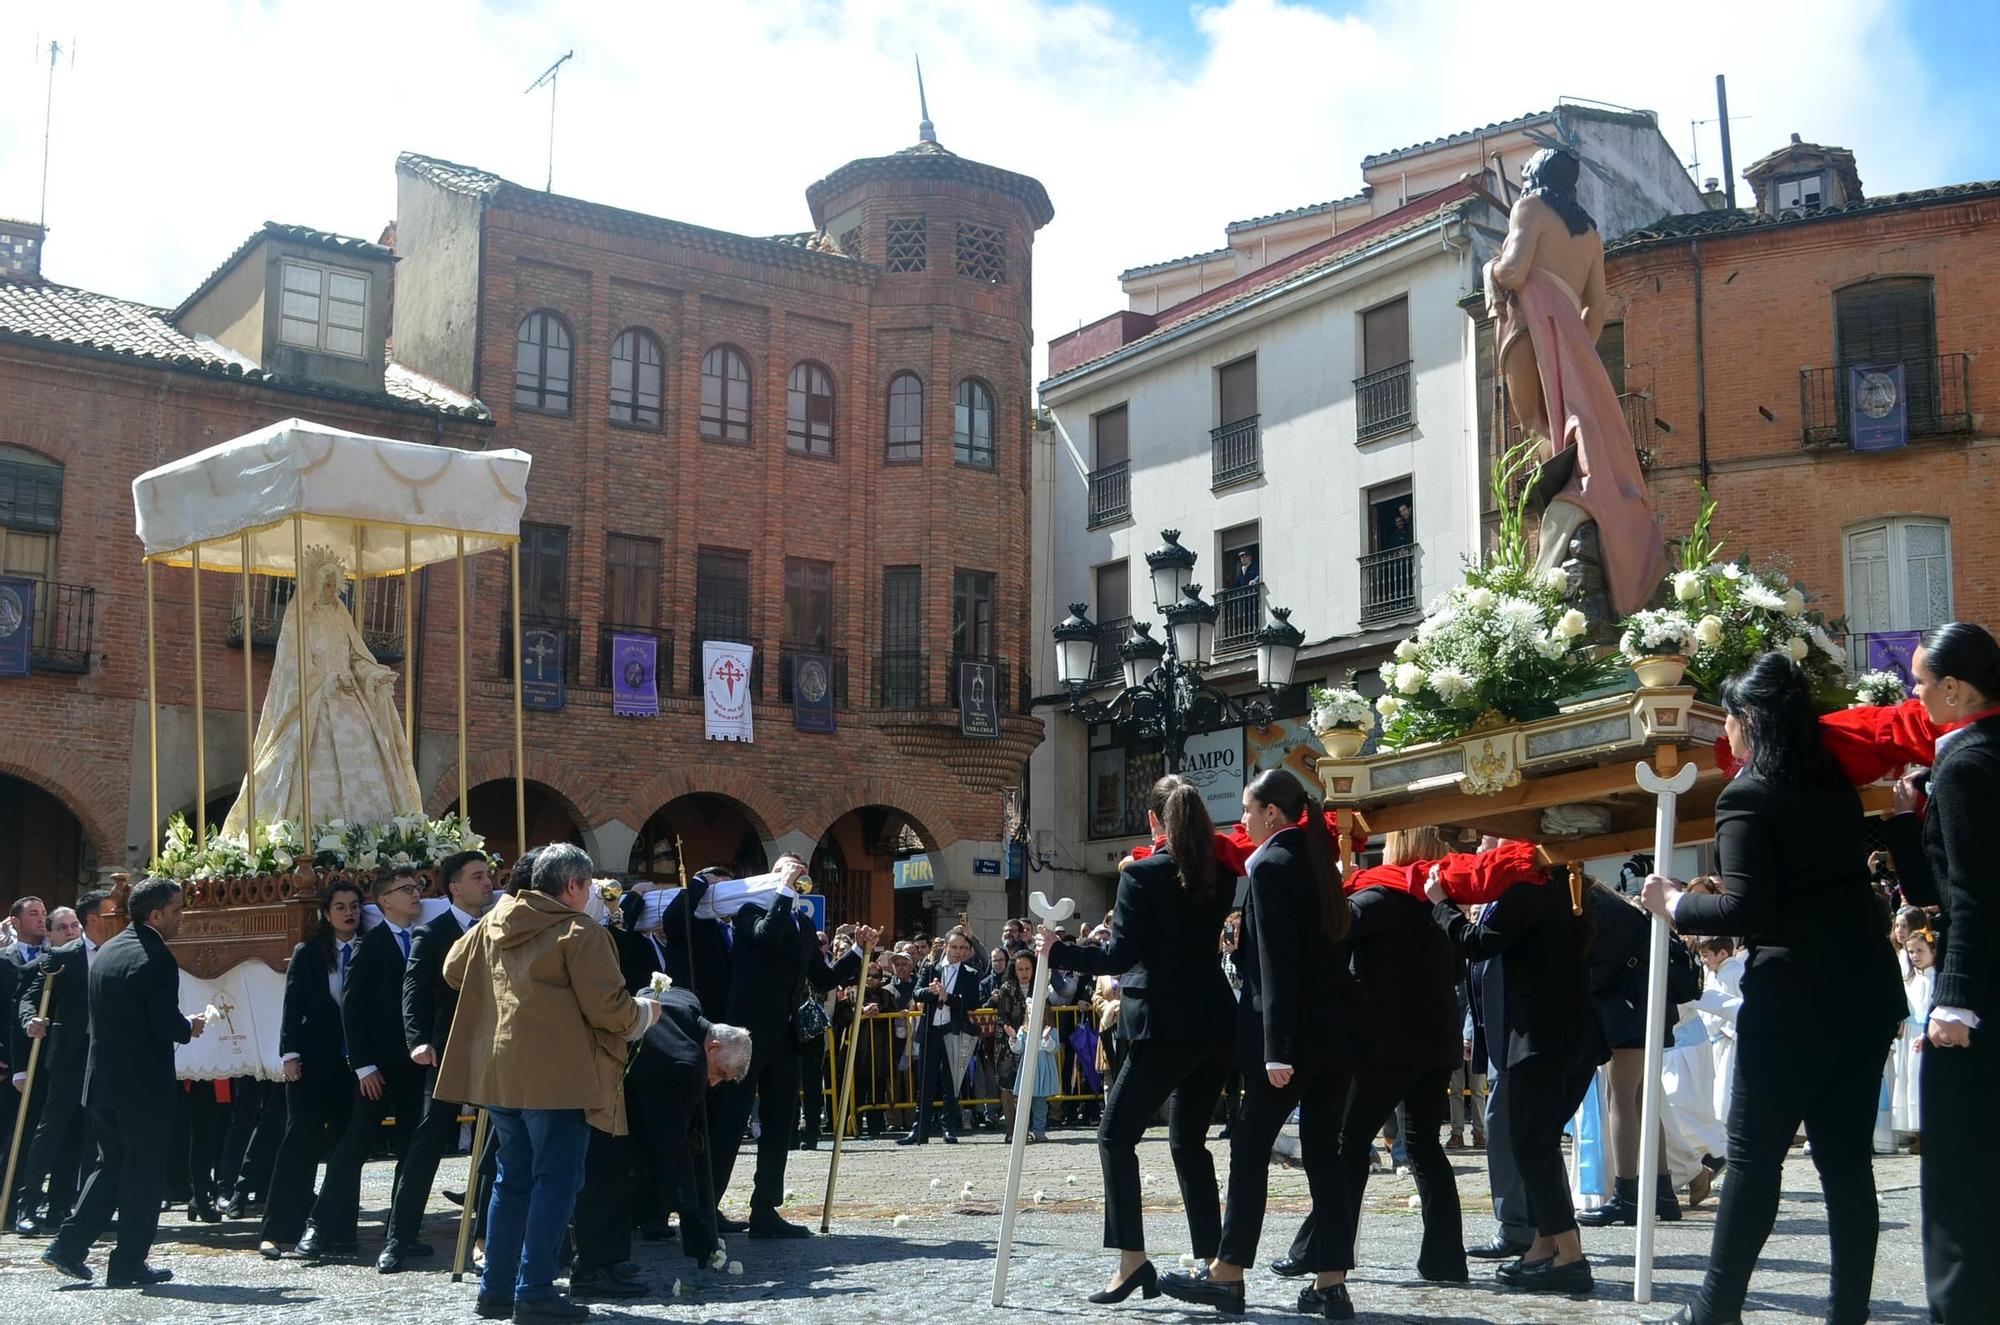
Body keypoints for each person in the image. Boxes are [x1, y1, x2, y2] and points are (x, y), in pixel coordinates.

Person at [1641, 652, 1906, 1325]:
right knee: (1847, 1166)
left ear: (1749, 720)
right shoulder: (1832, 784)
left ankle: (1715, 1308)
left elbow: (1742, 909)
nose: (1725, 732)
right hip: (1865, 990)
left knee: (1755, 1160)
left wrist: (1673, 902)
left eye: (1729, 718)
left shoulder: (1748, 793)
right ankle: (1848, 1313)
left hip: (1794, 999)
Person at [1162, 769, 1359, 1318]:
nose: (1241, 820)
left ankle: (1227, 1274)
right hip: (1335, 1039)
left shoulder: (1272, 864)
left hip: (1290, 1041)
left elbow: (1277, 964)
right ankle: (1331, 1282)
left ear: (1272, 813)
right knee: (1324, 1155)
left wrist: (1277, 1048)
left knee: (1249, 1151)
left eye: (1248, 810)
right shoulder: (1319, 858)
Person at [438, 843, 662, 1323]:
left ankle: (496, 1290)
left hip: (500, 1073)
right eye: (588, 886)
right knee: (556, 1182)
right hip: (557, 1076)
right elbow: (610, 1009)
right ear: (574, 885)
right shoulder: (578, 930)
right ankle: (535, 1290)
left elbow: (452, 969)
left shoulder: (496, 922)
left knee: (510, 1180)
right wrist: (646, 1013)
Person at [1041, 774, 1235, 1306]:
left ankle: (1131, 1260)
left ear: (1154, 822)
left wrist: (1060, 952)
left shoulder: (1143, 876)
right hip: (1215, 1022)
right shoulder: (1221, 876)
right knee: (1187, 1142)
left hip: (1163, 1023)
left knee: (1114, 1135)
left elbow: (1119, 957)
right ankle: (1214, 1265)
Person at [1879, 621, 2000, 1322]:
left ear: (1954, 689)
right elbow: (1948, 880)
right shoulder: (1974, 755)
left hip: (1975, 996)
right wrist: (1905, 823)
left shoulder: (1966, 763)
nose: (1915, 696)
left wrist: (1952, 1002)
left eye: (1921, 684)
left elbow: (1973, 895)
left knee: (1956, 1172)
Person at [1429, 854, 1604, 1295]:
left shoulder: (1531, 888)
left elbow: (1477, 942)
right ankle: (1544, 1246)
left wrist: (1440, 903)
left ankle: (1569, 1256)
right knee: (1538, 1142)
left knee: (1530, 1143)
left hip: (1541, 1039)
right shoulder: (1570, 888)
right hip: (1574, 1036)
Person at [42, 877, 208, 1286]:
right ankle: (129, 1262)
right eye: (176, 910)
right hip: (141, 1090)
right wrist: (190, 1026)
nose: (181, 917)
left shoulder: (110, 950)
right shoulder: (156, 957)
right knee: (144, 1176)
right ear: (155, 914)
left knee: (112, 1166)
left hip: (102, 1082)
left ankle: (68, 1246)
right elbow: (161, 1022)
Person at [1331, 825, 1469, 1287]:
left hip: (1386, 1043)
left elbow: (1331, 936)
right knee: (1426, 1148)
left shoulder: (1376, 898)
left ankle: (1330, 1253)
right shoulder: (1438, 901)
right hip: (1435, 1041)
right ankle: (1445, 1258)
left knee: (1349, 1145)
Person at [709, 856, 874, 1239]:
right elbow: (766, 934)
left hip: (784, 1035)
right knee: (731, 1122)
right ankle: (707, 1205)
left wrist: (858, 953)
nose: (798, 877)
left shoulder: (802, 924)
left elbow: (825, 976)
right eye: (789, 870)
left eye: (800, 872)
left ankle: (765, 1209)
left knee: (781, 1122)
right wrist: (781, 887)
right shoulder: (748, 910)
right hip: (745, 1035)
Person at [302, 866, 426, 1260]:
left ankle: (401, 1233)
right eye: (405, 889)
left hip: (414, 1064)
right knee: (355, 1144)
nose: (415, 894)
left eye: (418, 887)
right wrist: (363, 1065)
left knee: (411, 1146)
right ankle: (319, 1225)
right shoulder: (371, 944)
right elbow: (351, 1009)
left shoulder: (422, 939)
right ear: (385, 900)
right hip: (377, 1066)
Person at [391, 849, 495, 1270]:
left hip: (494, 1051)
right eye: (478, 877)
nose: (488, 883)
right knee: (426, 1143)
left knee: (495, 1144)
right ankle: (399, 1238)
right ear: (454, 888)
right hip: (446, 1052)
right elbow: (413, 990)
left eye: (489, 875)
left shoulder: (499, 928)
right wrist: (417, 1040)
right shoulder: (431, 933)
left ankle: (485, 1237)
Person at [257, 880, 364, 1258]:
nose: (348, 913)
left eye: (354, 905)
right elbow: (293, 1005)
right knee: (298, 1142)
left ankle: (339, 1231)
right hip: (312, 1059)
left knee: (345, 1147)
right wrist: (289, 1054)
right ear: (326, 913)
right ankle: (279, 1230)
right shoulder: (309, 953)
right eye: (339, 907)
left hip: (353, 1063)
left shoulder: (368, 949)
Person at [1576, 877, 1685, 1227]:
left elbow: (1598, 970)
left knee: (1620, 1097)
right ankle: (1662, 1191)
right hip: (1642, 1008)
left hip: (1630, 1011)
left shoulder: (1602, 910)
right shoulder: (1615, 905)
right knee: (1639, 1099)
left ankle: (1627, 1193)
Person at [628, 986, 752, 1270]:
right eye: (720, 1073)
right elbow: (673, 1144)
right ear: (713, 1047)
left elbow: (649, 989)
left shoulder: (688, 1001)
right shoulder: (688, 1065)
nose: (713, 1083)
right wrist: (690, 1213)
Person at [14, 892, 110, 1236]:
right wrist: (30, 1021)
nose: (69, 931)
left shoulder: (115, 952)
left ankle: (71, 1207)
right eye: (64, 926)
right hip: (70, 1054)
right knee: (52, 1128)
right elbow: (30, 996)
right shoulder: (63, 955)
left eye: (73, 925)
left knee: (90, 1133)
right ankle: (28, 1204)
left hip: (101, 1054)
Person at [901, 927, 982, 1145]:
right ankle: (920, 1130)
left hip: (953, 1030)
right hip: (930, 1030)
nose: (958, 951)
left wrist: (949, 997)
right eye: (954, 947)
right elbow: (916, 992)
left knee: (950, 1082)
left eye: (963, 948)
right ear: (945, 947)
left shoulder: (970, 974)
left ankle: (949, 1128)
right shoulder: (930, 968)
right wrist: (933, 992)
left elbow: (973, 1001)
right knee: (925, 1082)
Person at [1011, 1004, 1060, 1143]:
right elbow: (1018, 1049)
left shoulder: (1051, 1031)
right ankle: (1022, 1133)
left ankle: (1039, 1131)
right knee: (1024, 1104)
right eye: (1031, 1012)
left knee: (1040, 1104)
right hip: (1028, 1069)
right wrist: (1014, 1039)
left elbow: (1053, 1049)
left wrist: (1046, 1038)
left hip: (1043, 1070)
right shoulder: (1024, 1030)